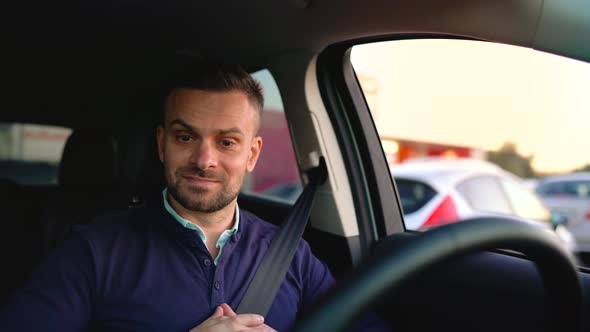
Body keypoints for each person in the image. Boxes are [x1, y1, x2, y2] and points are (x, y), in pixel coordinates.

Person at [0, 59, 387, 332]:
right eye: (185, 137)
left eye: (227, 142)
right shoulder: (94, 250)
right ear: (162, 144)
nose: (204, 160)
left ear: (251, 154)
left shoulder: (290, 254)